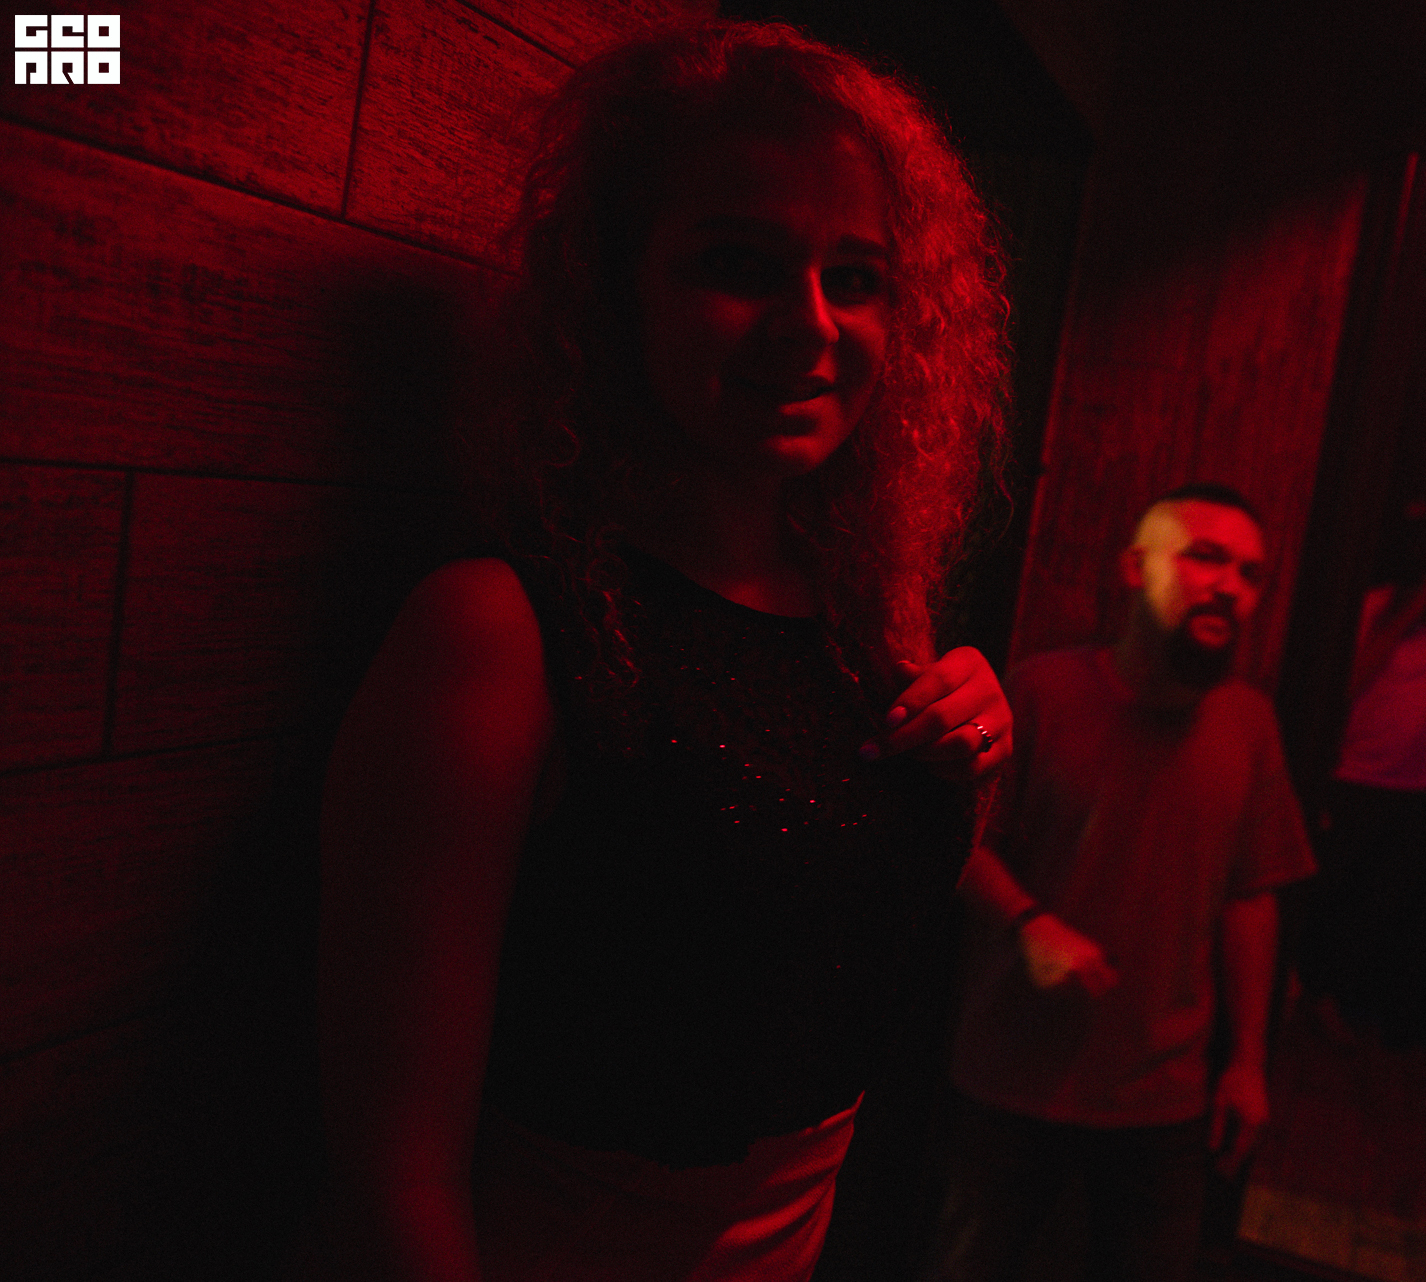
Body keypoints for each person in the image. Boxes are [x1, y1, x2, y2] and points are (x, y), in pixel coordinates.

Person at [305, 19, 1013, 1281]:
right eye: (738, 263)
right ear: (612, 286)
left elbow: (846, 908)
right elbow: (393, 1171)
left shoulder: (866, 616)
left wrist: (972, 752)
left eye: (857, 276)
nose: (810, 325)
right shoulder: (496, 633)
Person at [924, 484, 1317, 1282]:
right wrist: (1029, 923)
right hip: (1012, 1079)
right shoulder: (1042, 692)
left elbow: (1252, 895)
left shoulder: (1249, 724)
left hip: (1164, 1099)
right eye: (1205, 558)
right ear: (1136, 568)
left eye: (1250, 573)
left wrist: (1247, 1062)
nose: (1229, 586)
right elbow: (954, 843)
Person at [1300, 498, 1426, 1044]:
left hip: (1423, 785)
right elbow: (1349, 682)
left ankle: (1329, 994)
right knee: (1324, 891)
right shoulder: (1373, 605)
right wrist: (1413, 606)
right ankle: (1294, 983)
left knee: (1378, 905)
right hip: (1354, 776)